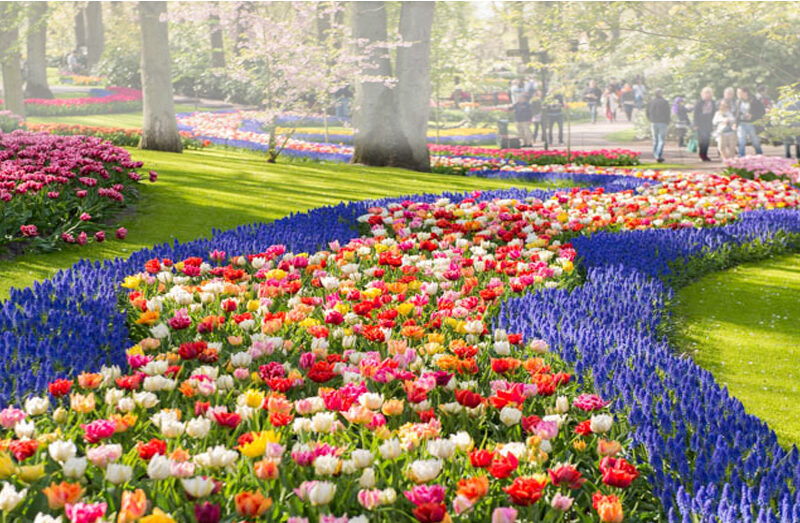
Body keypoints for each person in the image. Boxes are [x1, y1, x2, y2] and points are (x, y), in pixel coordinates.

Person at [735, 87, 765, 156]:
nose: (737, 94)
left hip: (752, 123)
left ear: (745, 93)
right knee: (741, 140)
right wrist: (735, 123)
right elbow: (737, 114)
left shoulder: (755, 100)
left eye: (739, 93)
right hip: (742, 123)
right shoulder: (738, 102)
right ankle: (741, 156)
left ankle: (759, 153)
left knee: (755, 141)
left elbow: (762, 112)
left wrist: (752, 116)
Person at [646, 88, 670, 162]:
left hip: (653, 122)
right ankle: (658, 154)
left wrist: (650, 119)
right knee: (661, 140)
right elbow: (667, 113)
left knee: (655, 139)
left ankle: (656, 154)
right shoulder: (665, 102)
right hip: (662, 122)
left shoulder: (650, 102)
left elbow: (647, 112)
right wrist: (667, 121)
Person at [692, 86, 716, 162]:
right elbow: (695, 114)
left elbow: (714, 113)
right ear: (702, 94)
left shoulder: (713, 102)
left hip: (709, 122)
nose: (707, 95)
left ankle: (705, 154)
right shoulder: (699, 103)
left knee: (707, 139)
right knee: (703, 138)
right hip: (700, 122)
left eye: (709, 94)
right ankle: (702, 154)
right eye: (706, 93)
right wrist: (695, 124)